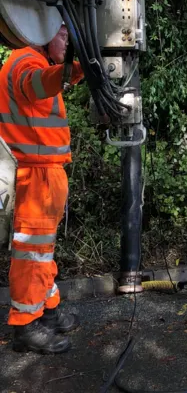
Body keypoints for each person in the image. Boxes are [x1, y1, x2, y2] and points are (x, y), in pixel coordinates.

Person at [0, 24, 84, 353]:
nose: (69, 40)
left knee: (41, 251)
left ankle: (47, 311)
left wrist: (80, 69)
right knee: (31, 253)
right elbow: (39, 83)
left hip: (45, 174)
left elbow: (48, 81)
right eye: (64, 34)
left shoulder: (34, 61)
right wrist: (76, 69)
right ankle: (25, 325)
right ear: (44, 31)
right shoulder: (24, 62)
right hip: (35, 175)